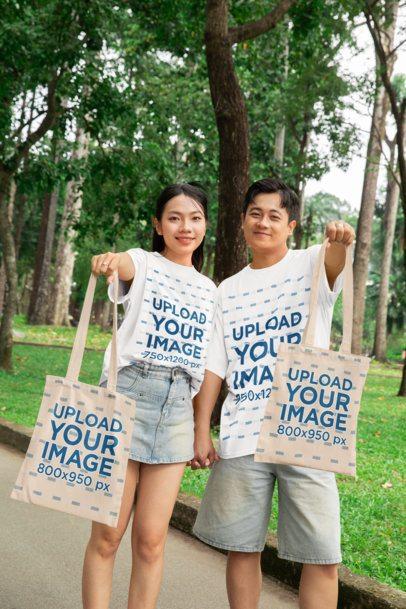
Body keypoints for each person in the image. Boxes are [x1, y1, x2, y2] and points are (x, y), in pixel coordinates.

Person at [191, 177, 355, 609]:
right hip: (244, 430)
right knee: (242, 547)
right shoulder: (227, 290)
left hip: (305, 429)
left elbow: (336, 261)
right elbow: (215, 366)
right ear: (244, 221)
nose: (263, 222)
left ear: (291, 225)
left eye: (274, 216)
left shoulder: (312, 264)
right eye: (255, 214)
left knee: (321, 554)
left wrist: (339, 240)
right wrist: (201, 430)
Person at [82, 183, 217, 609]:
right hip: (128, 397)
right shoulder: (143, 262)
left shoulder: (210, 291)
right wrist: (109, 260)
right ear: (158, 225)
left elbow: (207, 364)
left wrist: (200, 429)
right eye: (174, 218)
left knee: (152, 542)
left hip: (177, 408)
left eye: (195, 218)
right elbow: (122, 264)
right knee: (108, 535)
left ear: (205, 226)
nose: (185, 227)